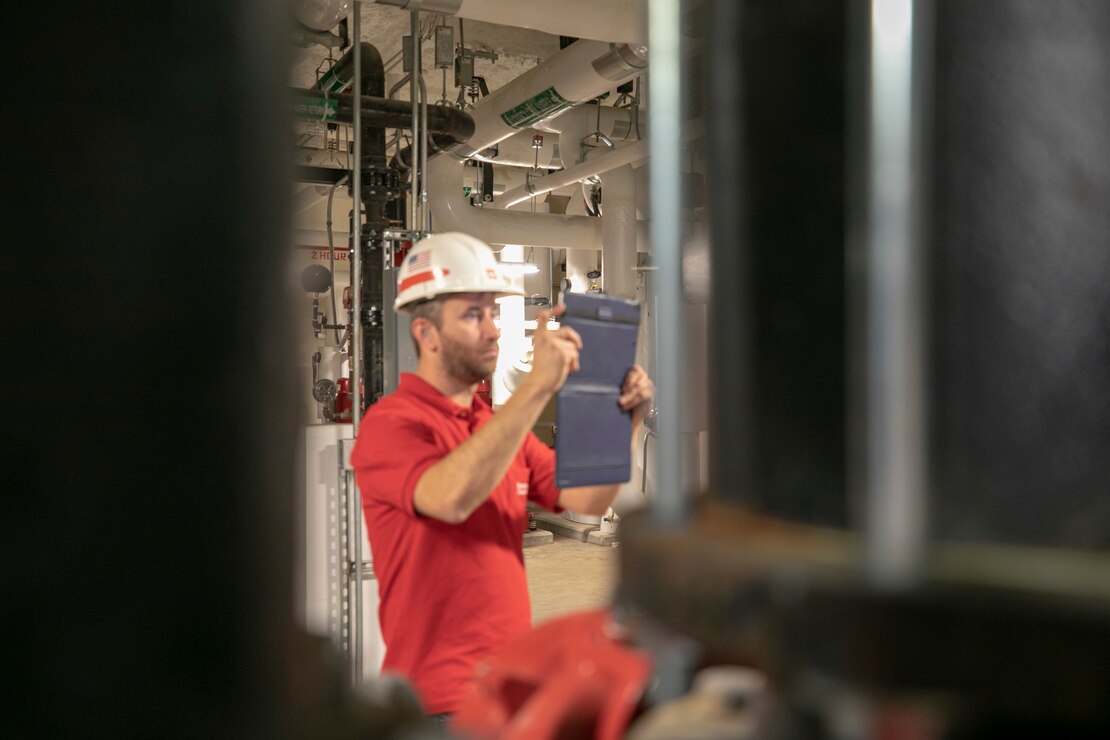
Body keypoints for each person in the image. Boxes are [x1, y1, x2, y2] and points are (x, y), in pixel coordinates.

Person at [350, 232, 654, 717]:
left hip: (511, 689)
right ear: (425, 333)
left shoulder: (494, 428)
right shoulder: (392, 425)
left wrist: (626, 424)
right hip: (439, 704)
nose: (493, 329)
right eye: (473, 315)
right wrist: (537, 386)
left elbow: (589, 501)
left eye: (493, 313)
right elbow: (450, 498)